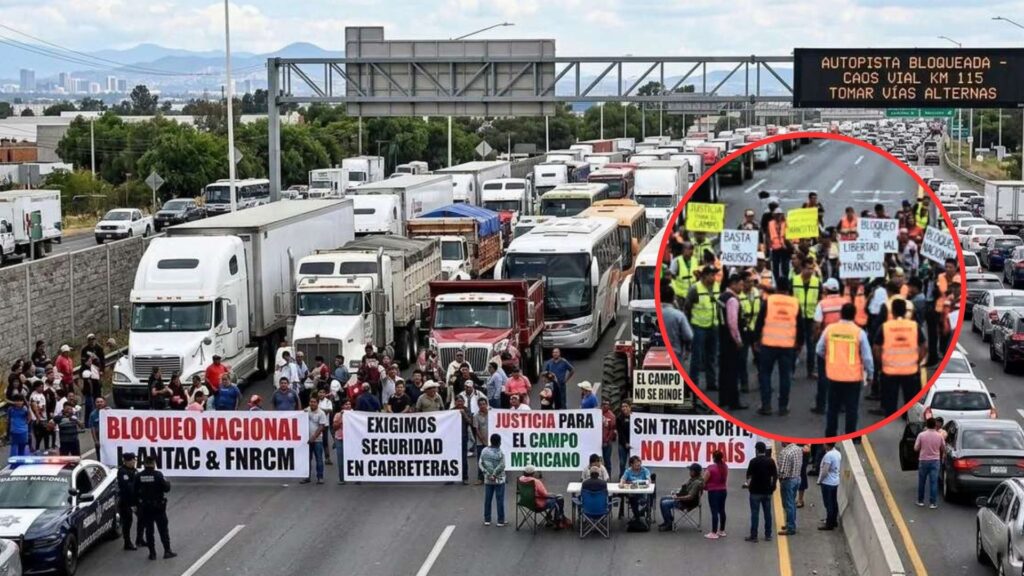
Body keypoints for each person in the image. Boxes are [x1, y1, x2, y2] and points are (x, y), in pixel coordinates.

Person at [819, 304, 874, 438]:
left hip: (833, 375)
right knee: (852, 408)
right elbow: (867, 357)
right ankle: (851, 436)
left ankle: (830, 435)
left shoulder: (830, 329)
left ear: (841, 314)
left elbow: (819, 349)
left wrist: (829, 359)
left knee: (832, 408)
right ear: (854, 315)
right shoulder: (859, 332)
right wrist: (870, 374)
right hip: (853, 377)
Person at [873, 298, 925, 416]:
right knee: (910, 406)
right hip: (910, 371)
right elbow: (924, 346)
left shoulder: (885, 326)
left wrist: (881, 363)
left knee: (889, 406)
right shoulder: (914, 326)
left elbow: (876, 348)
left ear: (892, 311)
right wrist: (917, 361)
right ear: (905, 311)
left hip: (889, 371)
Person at [755, 286, 799, 415]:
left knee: (765, 374)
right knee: (785, 376)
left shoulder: (769, 301)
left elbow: (760, 321)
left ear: (777, 289)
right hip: (787, 345)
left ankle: (766, 405)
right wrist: (800, 342)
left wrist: (756, 339)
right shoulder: (794, 302)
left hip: (768, 344)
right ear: (788, 291)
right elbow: (800, 324)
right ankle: (783, 407)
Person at [686, 266, 721, 392]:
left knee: (711, 356)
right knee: (696, 356)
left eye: (714, 275)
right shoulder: (695, 289)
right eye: (711, 275)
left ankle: (711, 383)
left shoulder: (717, 286)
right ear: (704, 276)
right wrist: (689, 326)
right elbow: (687, 308)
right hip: (698, 327)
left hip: (713, 326)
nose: (713, 278)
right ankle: (693, 384)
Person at [135, 456, 176, 560]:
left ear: (144, 464)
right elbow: (166, 488)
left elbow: (134, 491)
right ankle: (167, 551)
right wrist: (168, 483)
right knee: (163, 530)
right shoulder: (158, 475)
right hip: (158, 507)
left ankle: (152, 553)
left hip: (145, 507)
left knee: (149, 531)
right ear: (153, 464)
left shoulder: (139, 476)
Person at [718, 273, 748, 410]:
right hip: (731, 339)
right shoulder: (732, 300)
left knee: (724, 370)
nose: (742, 287)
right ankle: (734, 401)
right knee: (733, 371)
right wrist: (738, 340)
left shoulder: (722, 297)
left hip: (723, 336)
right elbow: (732, 323)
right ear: (733, 284)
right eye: (740, 285)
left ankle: (723, 399)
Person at [792, 259, 821, 379]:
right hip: (796, 318)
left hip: (811, 318)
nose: (810, 271)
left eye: (812, 268)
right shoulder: (794, 280)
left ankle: (810, 371)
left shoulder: (817, 282)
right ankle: (791, 371)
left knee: (811, 346)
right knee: (796, 345)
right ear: (802, 268)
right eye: (808, 268)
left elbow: (820, 300)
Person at [744, 441, 777, 542]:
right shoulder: (770, 461)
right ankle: (768, 534)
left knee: (755, 514)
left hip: (755, 491)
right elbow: (775, 475)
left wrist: (748, 485)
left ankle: (754, 535)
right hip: (767, 491)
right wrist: (773, 487)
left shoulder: (753, 461)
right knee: (767, 514)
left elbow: (748, 475)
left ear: (757, 450)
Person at [658, 463, 704, 531]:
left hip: (687, 503)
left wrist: (677, 498)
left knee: (665, 503)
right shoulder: (693, 479)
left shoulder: (697, 483)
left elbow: (690, 497)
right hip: (684, 498)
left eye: (690, 471)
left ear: (694, 472)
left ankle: (669, 524)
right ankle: (668, 520)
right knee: (662, 499)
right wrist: (677, 493)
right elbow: (686, 489)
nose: (689, 472)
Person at [660, 278, 694, 363]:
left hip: (658, 353)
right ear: (673, 298)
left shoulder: (654, 313)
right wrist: (687, 350)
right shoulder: (679, 315)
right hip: (675, 354)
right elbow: (689, 336)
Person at [914, 417, 944, 509]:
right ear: (935, 425)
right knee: (933, 482)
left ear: (927, 425)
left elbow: (916, 448)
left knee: (922, 482)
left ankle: (920, 501)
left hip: (923, 460)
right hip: (935, 461)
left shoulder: (921, 435)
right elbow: (943, 448)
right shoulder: (939, 436)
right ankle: (933, 503)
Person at [480, 434, 507, 527]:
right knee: (499, 500)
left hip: (488, 480)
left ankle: (487, 519)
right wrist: (494, 475)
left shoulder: (484, 451)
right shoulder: (500, 452)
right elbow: (502, 465)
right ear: (499, 442)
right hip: (499, 480)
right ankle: (500, 520)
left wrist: (488, 474)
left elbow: (481, 464)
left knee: (488, 499)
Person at [777, 442, 802, 536]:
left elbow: (783, 471)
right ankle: (791, 523)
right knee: (792, 502)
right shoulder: (798, 449)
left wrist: (779, 479)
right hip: (797, 478)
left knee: (788, 504)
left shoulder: (786, 453)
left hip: (788, 481)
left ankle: (791, 527)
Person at [703, 450, 729, 539]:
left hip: (713, 491)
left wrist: (704, 487)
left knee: (714, 511)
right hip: (723, 490)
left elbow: (704, 480)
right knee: (722, 510)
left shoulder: (710, 468)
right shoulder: (725, 466)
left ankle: (714, 532)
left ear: (713, 458)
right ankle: (722, 530)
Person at [117, 453, 140, 550]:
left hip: (135, 500)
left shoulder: (134, 470)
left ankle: (140, 539)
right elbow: (127, 486)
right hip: (126, 501)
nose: (134, 461)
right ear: (126, 461)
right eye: (132, 460)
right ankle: (127, 542)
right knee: (127, 522)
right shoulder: (122, 472)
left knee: (142, 519)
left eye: (134, 459)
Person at [302, 396, 328, 485]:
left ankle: (320, 477)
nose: (312, 403)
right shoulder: (306, 410)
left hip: (317, 440)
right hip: (306, 440)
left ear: (317, 403)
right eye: (311, 402)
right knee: (307, 459)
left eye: (314, 402)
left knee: (319, 459)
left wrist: (313, 437)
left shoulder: (321, 413)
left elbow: (322, 427)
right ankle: (306, 476)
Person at [620, 455, 654, 520]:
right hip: (632, 494)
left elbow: (649, 480)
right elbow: (623, 479)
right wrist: (621, 483)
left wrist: (647, 482)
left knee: (651, 496)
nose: (638, 464)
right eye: (636, 462)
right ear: (631, 464)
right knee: (631, 498)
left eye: (639, 462)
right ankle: (637, 517)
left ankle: (639, 514)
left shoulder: (645, 470)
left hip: (643, 494)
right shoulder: (628, 471)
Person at [817, 442, 842, 530]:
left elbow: (825, 470)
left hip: (827, 482)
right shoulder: (837, 453)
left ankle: (829, 524)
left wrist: (820, 480)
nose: (823, 445)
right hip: (835, 481)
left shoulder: (828, 456)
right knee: (834, 502)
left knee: (828, 504)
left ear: (827, 445)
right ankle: (833, 521)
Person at [767, 208, 792, 290]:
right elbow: (768, 235)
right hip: (775, 247)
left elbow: (790, 233)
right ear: (774, 215)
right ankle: (777, 283)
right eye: (777, 214)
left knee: (785, 267)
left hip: (784, 247)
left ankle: (786, 282)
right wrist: (769, 246)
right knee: (775, 267)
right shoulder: (770, 223)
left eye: (780, 214)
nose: (778, 216)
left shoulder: (786, 223)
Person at [616, 401, 633, 480]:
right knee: (622, 463)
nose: (624, 408)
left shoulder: (635, 417)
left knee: (632, 463)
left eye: (626, 406)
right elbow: (620, 432)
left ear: (630, 407)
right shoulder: (619, 418)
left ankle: (631, 478)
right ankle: (622, 478)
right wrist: (625, 443)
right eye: (622, 406)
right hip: (622, 444)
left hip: (632, 444)